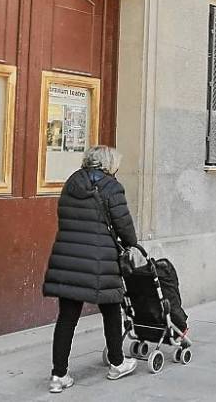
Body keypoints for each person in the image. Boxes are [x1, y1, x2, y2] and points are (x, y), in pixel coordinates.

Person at [42, 146, 139, 393]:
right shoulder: (111, 186)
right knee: (111, 310)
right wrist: (131, 243)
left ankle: (58, 375)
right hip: (101, 260)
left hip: (69, 258)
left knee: (66, 318)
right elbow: (124, 226)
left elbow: (65, 218)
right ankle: (117, 363)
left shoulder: (72, 183)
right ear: (108, 164)